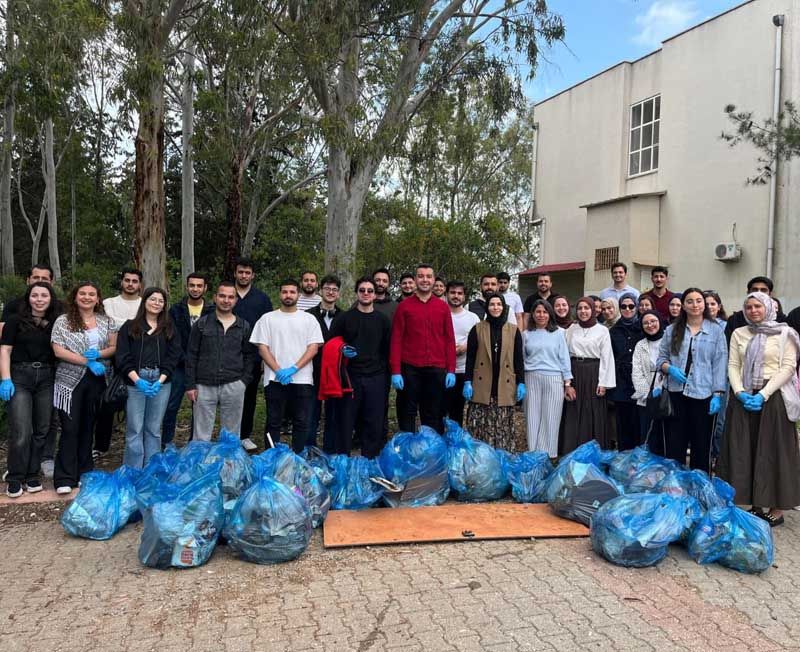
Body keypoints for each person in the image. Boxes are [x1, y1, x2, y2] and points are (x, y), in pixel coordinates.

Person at [717, 292, 800, 527]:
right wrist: (739, 392)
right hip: (744, 396)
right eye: (749, 307)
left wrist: (763, 394)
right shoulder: (739, 333)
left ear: (769, 308)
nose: (753, 310)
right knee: (746, 448)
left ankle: (777, 508)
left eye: (758, 306)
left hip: (775, 397)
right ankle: (755, 503)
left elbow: (788, 367)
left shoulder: (786, 333)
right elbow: (733, 364)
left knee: (774, 451)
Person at [50, 282, 118, 495]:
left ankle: (84, 472)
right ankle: (64, 477)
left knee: (88, 427)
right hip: (69, 380)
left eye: (91, 294)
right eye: (82, 293)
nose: (87, 297)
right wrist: (85, 361)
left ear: (98, 299)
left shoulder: (107, 321)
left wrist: (98, 355)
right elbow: (58, 350)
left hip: (97, 379)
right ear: (75, 296)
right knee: (70, 428)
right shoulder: (63, 321)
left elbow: (114, 347)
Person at [0, 264, 62, 478]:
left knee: (43, 429)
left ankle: (33, 473)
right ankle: (16, 475)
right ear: (28, 296)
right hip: (19, 376)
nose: (39, 299)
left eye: (44, 295)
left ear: (51, 296)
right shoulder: (15, 318)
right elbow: (5, 349)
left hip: (47, 377)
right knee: (22, 430)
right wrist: (5, 379)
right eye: (35, 295)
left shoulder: (57, 320)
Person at [656, 288, 727, 472]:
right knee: (675, 443)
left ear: (704, 304)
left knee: (701, 444)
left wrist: (717, 394)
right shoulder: (672, 330)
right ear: (683, 306)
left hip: (704, 394)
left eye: (698, 301)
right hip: (676, 393)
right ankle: (676, 482)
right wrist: (669, 368)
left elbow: (720, 364)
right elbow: (661, 359)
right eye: (689, 301)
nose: (695, 305)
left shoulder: (716, 331)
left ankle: (699, 483)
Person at [250, 279, 323, 452]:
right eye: (284, 292)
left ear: (298, 294)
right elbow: (262, 347)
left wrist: (294, 368)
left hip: (302, 379)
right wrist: (278, 370)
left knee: (301, 421)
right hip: (274, 379)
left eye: (292, 292)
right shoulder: (267, 319)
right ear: (280, 294)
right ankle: (272, 456)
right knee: (273, 421)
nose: (288, 295)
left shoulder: (309, 319)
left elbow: (314, 347)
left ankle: (298, 455)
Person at [115, 287, 181, 469]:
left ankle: (151, 470)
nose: (156, 303)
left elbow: (174, 356)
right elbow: (122, 356)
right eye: (153, 299)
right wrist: (137, 380)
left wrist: (160, 380)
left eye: (161, 301)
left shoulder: (169, 328)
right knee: (135, 428)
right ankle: (133, 470)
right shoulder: (130, 327)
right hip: (136, 381)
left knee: (153, 428)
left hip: (161, 381)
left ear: (164, 305)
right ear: (144, 301)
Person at [185, 282, 257, 441]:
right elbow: (191, 355)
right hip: (204, 384)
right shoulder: (202, 324)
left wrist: (243, 381)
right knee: (201, 434)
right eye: (222, 296)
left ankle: (229, 458)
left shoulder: (243, 326)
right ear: (215, 298)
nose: (226, 300)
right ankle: (200, 457)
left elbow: (249, 356)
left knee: (231, 434)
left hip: (233, 383)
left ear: (236, 300)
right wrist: (190, 384)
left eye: (231, 297)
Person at [390, 264, 456, 434]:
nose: (425, 280)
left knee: (433, 412)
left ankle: (432, 446)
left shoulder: (442, 307)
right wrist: (396, 371)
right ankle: (408, 446)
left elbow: (449, 339)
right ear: (415, 280)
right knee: (407, 411)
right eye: (421, 276)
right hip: (410, 368)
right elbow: (396, 340)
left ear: (433, 280)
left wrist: (451, 369)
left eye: (428, 276)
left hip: (436, 368)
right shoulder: (404, 306)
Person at [329, 277, 391, 458]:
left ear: (375, 295)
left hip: (376, 377)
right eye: (362, 290)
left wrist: (386, 376)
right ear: (356, 293)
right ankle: (343, 461)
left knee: (373, 422)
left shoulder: (383, 320)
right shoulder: (344, 318)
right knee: (345, 421)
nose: (366, 293)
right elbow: (331, 343)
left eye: (370, 291)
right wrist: (341, 348)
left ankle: (369, 462)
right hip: (350, 377)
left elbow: (387, 349)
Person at [93, 267, 143, 460]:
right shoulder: (108, 303)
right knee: (107, 402)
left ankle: (135, 449)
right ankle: (101, 446)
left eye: (134, 281)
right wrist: (131, 323)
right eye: (127, 280)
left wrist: (121, 324)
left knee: (136, 405)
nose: (130, 284)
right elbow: (107, 325)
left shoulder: (144, 303)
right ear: (122, 282)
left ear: (140, 284)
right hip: (110, 358)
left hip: (138, 359)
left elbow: (140, 326)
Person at [463, 294, 524, 450]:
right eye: (492, 304)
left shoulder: (514, 331)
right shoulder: (477, 329)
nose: (495, 307)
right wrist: (467, 381)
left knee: (503, 426)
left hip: (505, 383)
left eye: (499, 304)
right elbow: (470, 358)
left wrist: (521, 382)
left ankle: (502, 456)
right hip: (482, 385)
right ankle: (481, 457)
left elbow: (518, 359)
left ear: (504, 307)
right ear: (487, 307)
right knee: (480, 426)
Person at [163, 273, 214, 445]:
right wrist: (185, 359)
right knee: (171, 406)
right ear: (187, 287)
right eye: (192, 285)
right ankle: (167, 444)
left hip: (203, 366)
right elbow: (171, 338)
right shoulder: (176, 310)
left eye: (199, 286)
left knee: (199, 408)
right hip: (179, 365)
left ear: (205, 288)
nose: (195, 289)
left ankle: (195, 444)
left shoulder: (212, 311)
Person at [560, 297, 615, 454]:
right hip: (575, 372)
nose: (583, 311)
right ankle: (571, 450)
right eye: (580, 308)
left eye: (586, 308)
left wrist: (603, 383)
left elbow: (607, 357)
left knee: (593, 411)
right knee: (574, 410)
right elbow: (564, 355)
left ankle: (594, 452)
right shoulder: (571, 329)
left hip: (594, 373)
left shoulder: (602, 330)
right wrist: (567, 382)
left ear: (593, 310)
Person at [232, 258, 273, 451]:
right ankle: (229, 435)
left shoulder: (262, 299)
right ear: (235, 273)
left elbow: (269, 329)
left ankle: (244, 435)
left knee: (249, 397)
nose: (243, 276)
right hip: (228, 356)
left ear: (252, 275)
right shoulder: (227, 294)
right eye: (240, 272)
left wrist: (266, 358)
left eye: (247, 273)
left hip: (253, 357)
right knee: (228, 398)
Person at [522, 300, 572, 457]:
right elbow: (522, 359)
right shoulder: (526, 334)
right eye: (538, 312)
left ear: (550, 314)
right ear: (532, 314)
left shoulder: (559, 333)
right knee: (532, 417)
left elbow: (564, 358)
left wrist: (567, 383)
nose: (541, 315)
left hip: (554, 378)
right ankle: (533, 454)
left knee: (551, 418)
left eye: (545, 312)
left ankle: (547, 455)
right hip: (531, 377)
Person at [307, 275, 343, 451]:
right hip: (311, 370)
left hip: (335, 373)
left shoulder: (345, 316)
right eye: (327, 288)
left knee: (334, 413)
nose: (331, 292)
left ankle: (330, 449)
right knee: (310, 412)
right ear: (320, 290)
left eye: (334, 289)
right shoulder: (307, 316)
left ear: (338, 293)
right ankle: (309, 448)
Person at [609, 293, 644, 450]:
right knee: (622, 423)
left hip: (639, 381)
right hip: (621, 381)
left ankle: (638, 456)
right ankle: (624, 456)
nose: (627, 309)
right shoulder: (614, 331)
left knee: (638, 422)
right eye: (623, 306)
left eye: (631, 306)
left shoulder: (643, 328)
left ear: (636, 307)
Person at [444, 280, 480, 426]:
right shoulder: (441, 314)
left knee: (457, 411)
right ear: (446, 294)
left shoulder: (473, 318)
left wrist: (466, 346)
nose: (456, 296)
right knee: (439, 410)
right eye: (452, 292)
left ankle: (455, 438)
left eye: (459, 293)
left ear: (464, 296)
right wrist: (449, 349)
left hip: (463, 371)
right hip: (443, 370)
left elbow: (480, 341)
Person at [630, 311, 666, 449]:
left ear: (659, 321)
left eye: (653, 321)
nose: (650, 325)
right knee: (648, 435)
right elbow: (637, 372)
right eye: (645, 323)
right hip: (646, 397)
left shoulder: (668, 341)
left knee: (666, 434)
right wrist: (648, 394)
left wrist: (662, 389)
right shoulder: (640, 345)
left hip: (667, 394)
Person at [725, 277, 785, 344]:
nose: (759, 293)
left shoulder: (780, 320)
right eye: (755, 290)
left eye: (763, 290)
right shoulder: (735, 320)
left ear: (770, 294)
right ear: (748, 293)